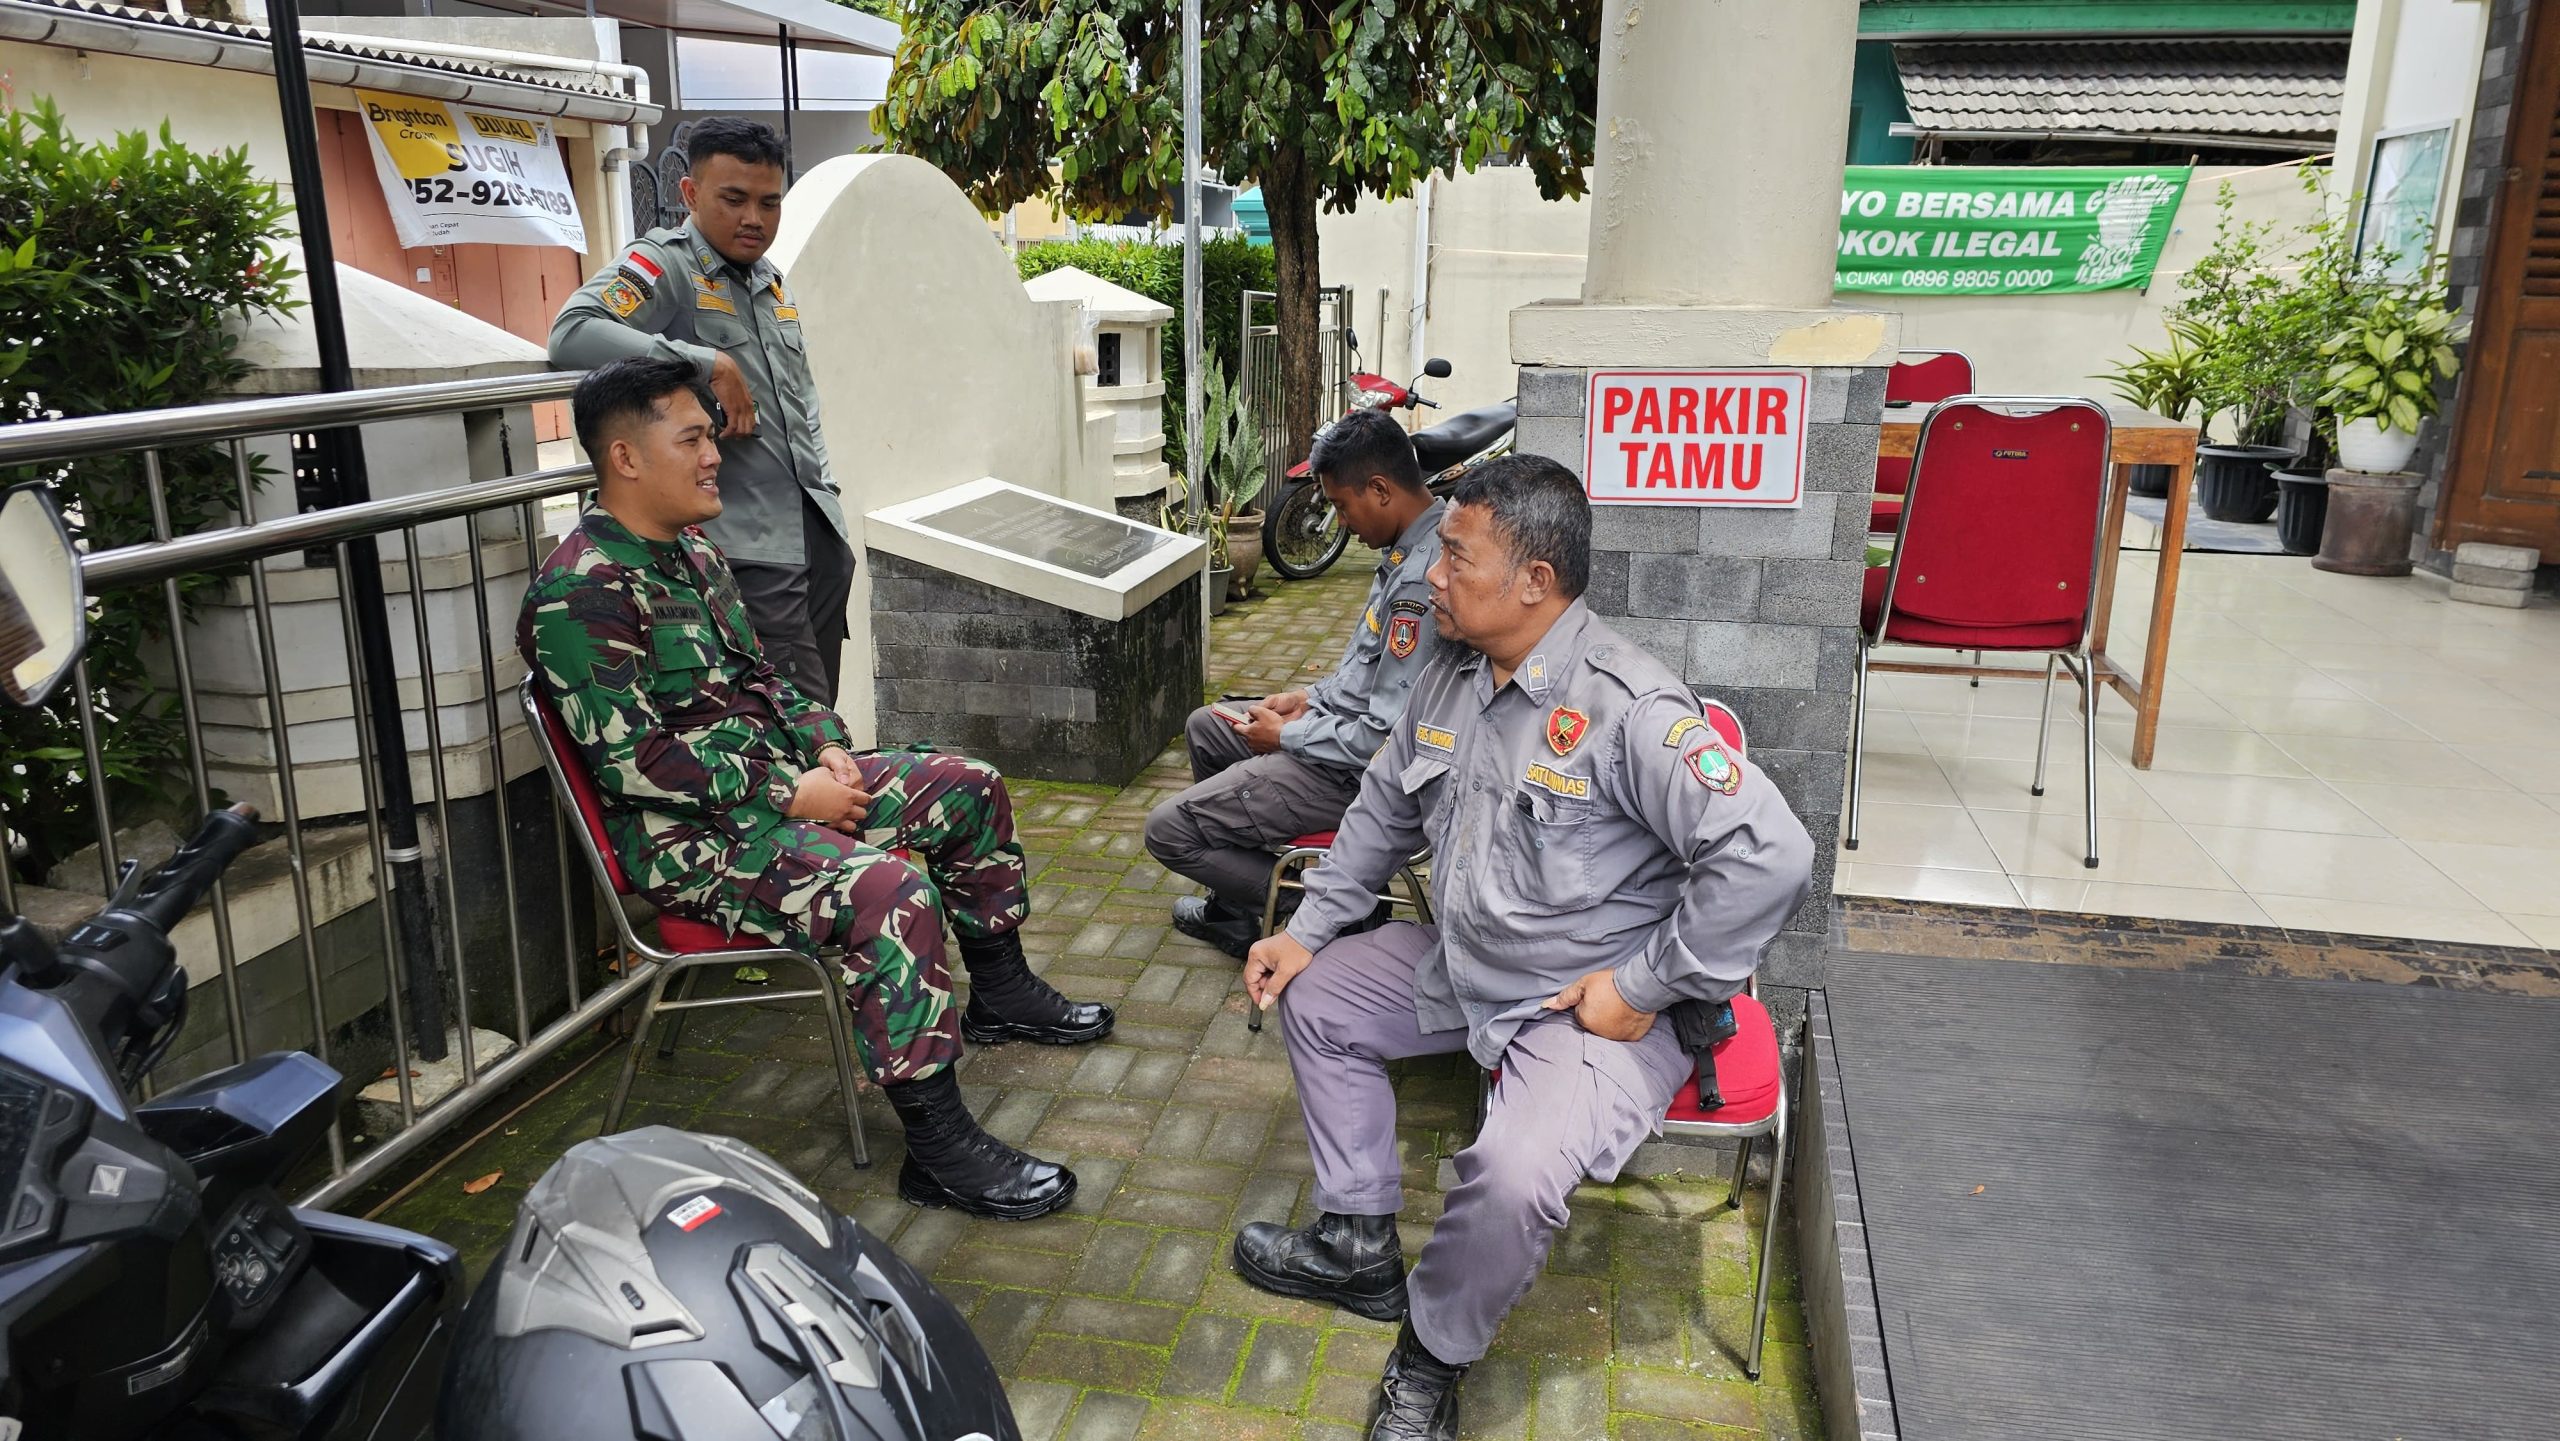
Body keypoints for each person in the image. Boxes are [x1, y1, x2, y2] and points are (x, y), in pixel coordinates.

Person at [1228, 455, 1815, 1440]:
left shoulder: (1625, 707)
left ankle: (1429, 1354)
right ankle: (1357, 1239)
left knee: (1510, 1178)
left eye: (1456, 558)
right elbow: (1379, 807)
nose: (1433, 577)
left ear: (1533, 582)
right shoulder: (1450, 673)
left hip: (1579, 1004)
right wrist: (1303, 929)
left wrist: (1643, 984)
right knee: (1319, 997)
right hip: (1466, 967)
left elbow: (1771, 852)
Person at [520, 358, 1115, 1222]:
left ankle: (1004, 991)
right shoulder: (580, 593)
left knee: (968, 786)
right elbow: (632, 761)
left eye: (709, 435)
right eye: (691, 437)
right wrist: (788, 795)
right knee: (892, 893)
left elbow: (765, 677)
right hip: (692, 843)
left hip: (780, 789)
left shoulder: (692, 553)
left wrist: (827, 747)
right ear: (625, 457)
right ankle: (939, 1151)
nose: (713, 454)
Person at [548, 118, 858, 706]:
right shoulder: (666, 265)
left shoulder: (769, 281)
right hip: (748, 547)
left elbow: (801, 402)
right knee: (797, 719)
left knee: (820, 710)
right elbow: (572, 334)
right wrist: (704, 362)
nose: (754, 219)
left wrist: (830, 495)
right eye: (734, 199)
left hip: (815, 534)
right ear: (690, 194)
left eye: (770, 203)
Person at [1145, 408, 1448, 956]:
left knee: (1168, 830)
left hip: (1363, 780)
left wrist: (1285, 737)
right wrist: (1307, 698)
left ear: (1379, 489)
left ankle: (1321, 906)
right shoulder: (1404, 551)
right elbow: (1365, 674)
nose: (1339, 522)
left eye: (1339, 505)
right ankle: (1237, 911)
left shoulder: (1424, 583)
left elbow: (1383, 740)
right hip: (1344, 742)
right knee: (1208, 726)